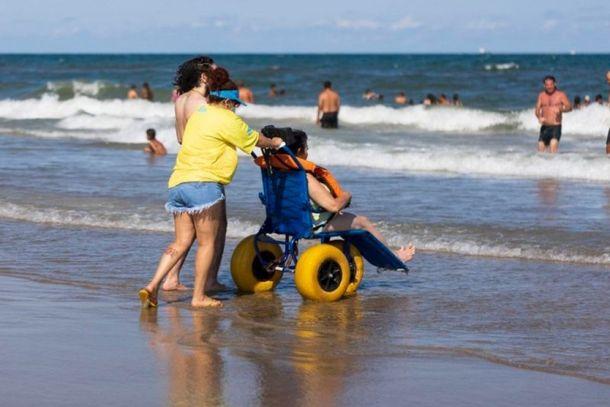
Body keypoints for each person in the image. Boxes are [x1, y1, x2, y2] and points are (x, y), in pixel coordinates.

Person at [139, 66, 284, 309]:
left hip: (178, 183)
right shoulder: (228, 119)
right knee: (207, 243)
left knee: (180, 242)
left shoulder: (200, 115)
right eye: (235, 105)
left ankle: (152, 285)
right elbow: (254, 138)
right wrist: (275, 142)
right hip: (204, 186)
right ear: (227, 102)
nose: (236, 109)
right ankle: (199, 296)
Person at [272, 128, 415, 262]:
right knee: (362, 222)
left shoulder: (277, 174)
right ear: (299, 150)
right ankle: (394, 256)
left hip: (286, 220)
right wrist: (346, 196)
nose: (308, 152)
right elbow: (333, 206)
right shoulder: (304, 178)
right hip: (310, 224)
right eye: (306, 148)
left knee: (349, 220)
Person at [534, 75, 572, 153]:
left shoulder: (561, 95)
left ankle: (553, 165)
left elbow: (569, 107)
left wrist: (562, 109)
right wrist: (539, 117)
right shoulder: (541, 95)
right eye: (547, 85)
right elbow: (537, 109)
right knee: (540, 151)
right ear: (544, 85)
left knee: (552, 148)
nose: (549, 87)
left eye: (551, 84)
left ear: (555, 84)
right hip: (544, 127)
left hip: (556, 127)